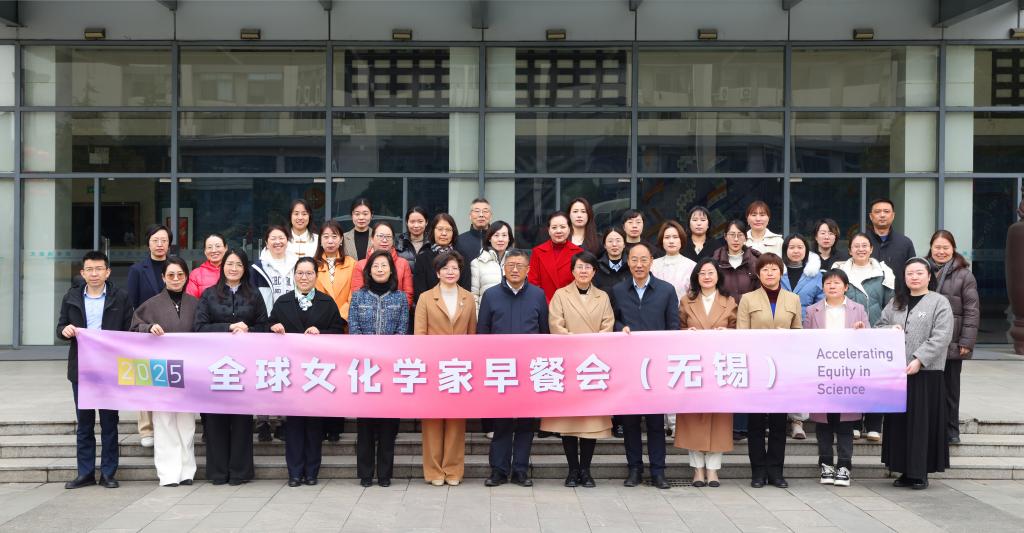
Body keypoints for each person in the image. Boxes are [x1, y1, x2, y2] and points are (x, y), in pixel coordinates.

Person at [57, 250, 133, 490]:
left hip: (110, 369)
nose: (94, 274)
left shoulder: (120, 297)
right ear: (82, 273)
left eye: (99, 269)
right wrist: (65, 331)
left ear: (107, 272)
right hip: (82, 369)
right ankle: (85, 473)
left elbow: (129, 331)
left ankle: (108, 473)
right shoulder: (71, 297)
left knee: (110, 423)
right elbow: (60, 327)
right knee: (84, 424)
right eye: (89, 269)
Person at [193, 249, 268, 486]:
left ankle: (240, 472)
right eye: (229, 264)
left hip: (244, 367)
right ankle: (217, 472)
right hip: (216, 366)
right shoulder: (209, 295)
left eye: (238, 264)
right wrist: (228, 327)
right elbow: (199, 327)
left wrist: (248, 330)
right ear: (222, 266)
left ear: (245, 269)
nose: (233, 268)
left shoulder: (254, 294)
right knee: (215, 420)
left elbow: (264, 327)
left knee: (242, 420)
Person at [269, 257, 346, 487]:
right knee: (293, 425)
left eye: (309, 273)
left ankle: (312, 472)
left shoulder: (327, 302)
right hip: (291, 373)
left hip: (317, 374)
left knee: (314, 425)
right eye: (300, 273)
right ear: (294, 276)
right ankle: (294, 473)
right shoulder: (282, 302)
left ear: (316, 276)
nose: (304, 278)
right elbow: (267, 328)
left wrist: (321, 333)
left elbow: (339, 332)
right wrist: (273, 327)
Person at [878, 258, 954, 490]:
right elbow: (879, 325)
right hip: (898, 373)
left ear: (929, 276)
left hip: (926, 373)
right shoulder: (896, 302)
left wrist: (919, 359)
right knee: (900, 424)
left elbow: (942, 336)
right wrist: (889, 329)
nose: (914, 277)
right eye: (910, 273)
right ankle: (903, 469)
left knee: (922, 424)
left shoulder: (939, 302)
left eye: (919, 273)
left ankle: (920, 472)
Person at [477, 249, 549, 488]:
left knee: (526, 423)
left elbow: (544, 332)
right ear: (503, 268)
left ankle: (520, 470)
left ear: (528, 270)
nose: (515, 269)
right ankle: (498, 470)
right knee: (502, 422)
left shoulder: (538, 295)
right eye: (511, 265)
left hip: (529, 369)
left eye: (520, 265)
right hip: (501, 370)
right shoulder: (491, 295)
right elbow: (482, 332)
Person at [543, 251, 614, 488]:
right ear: (572, 271)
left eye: (588, 267)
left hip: (592, 366)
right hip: (569, 363)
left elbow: (608, 325)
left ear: (594, 271)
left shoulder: (602, 297)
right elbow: (556, 325)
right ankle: (572, 470)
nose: (583, 271)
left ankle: (586, 470)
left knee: (590, 423)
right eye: (579, 267)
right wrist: (577, 342)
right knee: (568, 423)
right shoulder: (560, 295)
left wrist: (591, 345)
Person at [612, 243, 680, 490]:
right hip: (628, 366)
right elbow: (612, 320)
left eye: (643, 260)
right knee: (630, 422)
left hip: (656, 367)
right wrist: (620, 328)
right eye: (634, 260)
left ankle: (658, 471)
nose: (639, 265)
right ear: (628, 262)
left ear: (652, 261)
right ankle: (634, 469)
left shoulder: (666, 290)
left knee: (655, 423)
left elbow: (673, 327)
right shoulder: (618, 290)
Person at [130, 256, 199, 487]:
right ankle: (169, 473)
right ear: (163, 277)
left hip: (189, 369)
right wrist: (148, 328)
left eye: (180, 274)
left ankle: (187, 471)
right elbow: (134, 328)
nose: (176, 279)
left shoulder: (195, 304)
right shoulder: (150, 305)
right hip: (161, 369)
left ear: (186, 277)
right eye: (171, 275)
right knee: (164, 421)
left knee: (187, 422)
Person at [737, 252, 802, 489]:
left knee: (778, 423)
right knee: (755, 424)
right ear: (758, 273)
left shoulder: (793, 299)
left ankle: (776, 472)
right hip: (757, 368)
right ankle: (757, 472)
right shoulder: (747, 299)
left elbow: (798, 333)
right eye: (764, 269)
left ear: (781, 272)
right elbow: (741, 335)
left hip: (782, 369)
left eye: (774, 269)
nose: (769, 273)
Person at [414, 251, 476, 487]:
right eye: (446, 268)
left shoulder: (468, 298)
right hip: (433, 367)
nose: (451, 272)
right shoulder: (425, 298)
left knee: (456, 421)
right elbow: (419, 335)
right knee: (431, 421)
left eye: (455, 268)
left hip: (459, 368)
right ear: (437, 272)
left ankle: (453, 470)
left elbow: (472, 334)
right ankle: (433, 471)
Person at [803, 269, 870, 487]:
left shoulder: (858, 309)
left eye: (837, 283)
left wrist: (861, 331)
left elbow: (869, 341)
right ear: (823, 287)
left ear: (846, 287)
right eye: (828, 283)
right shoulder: (812, 310)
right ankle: (826, 465)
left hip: (847, 374)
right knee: (823, 424)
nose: (832, 286)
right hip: (822, 373)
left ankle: (844, 466)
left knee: (845, 423)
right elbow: (805, 341)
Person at [349, 250, 409, 487]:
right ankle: (365, 474)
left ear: (391, 270)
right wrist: (369, 353)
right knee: (365, 426)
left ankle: (385, 474)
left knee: (388, 426)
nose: (380, 269)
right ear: (369, 270)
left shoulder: (400, 298)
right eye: (376, 266)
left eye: (384, 265)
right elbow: (354, 329)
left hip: (391, 369)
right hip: (365, 369)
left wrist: (387, 355)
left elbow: (402, 331)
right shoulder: (358, 297)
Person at [676, 258, 737, 488]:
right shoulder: (687, 301)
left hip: (720, 367)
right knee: (693, 418)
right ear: (696, 277)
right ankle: (697, 469)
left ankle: (713, 470)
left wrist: (727, 334)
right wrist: (686, 333)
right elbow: (677, 328)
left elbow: (738, 330)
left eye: (711, 272)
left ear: (718, 276)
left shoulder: (729, 301)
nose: (707, 277)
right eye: (702, 273)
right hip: (694, 367)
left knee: (719, 419)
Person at [835, 233, 895, 442]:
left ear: (871, 249)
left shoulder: (884, 272)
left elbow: (890, 303)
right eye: (856, 246)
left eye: (864, 246)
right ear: (849, 250)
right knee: (851, 377)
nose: (860, 249)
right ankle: (853, 423)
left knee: (874, 379)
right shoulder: (840, 271)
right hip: (848, 334)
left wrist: (885, 328)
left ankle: (873, 425)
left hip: (875, 332)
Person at [927, 230, 979, 445]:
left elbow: (972, 310)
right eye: (937, 247)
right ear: (931, 248)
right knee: (928, 388)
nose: (941, 251)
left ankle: (951, 430)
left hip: (953, 339)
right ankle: (930, 428)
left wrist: (966, 341)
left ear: (953, 249)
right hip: (926, 340)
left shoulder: (964, 275)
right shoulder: (922, 269)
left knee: (950, 389)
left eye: (945, 248)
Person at [125, 223, 171, 449]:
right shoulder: (137, 270)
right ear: (148, 243)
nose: (160, 244)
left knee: (168, 378)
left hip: (171, 332)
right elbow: (131, 303)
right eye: (155, 240)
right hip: (145, 331)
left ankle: (166, 424)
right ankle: (146, 428)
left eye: (164, 240)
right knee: (145, 378)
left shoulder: (176, 266)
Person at [250, 225, 297, 442]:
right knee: (264, 375)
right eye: (273, 238)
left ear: (288, 240)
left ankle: (283, 421)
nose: (277, 242)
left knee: (286, 374)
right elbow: (253, 299)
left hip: (290, 327)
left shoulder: (297, 263)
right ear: (266, 242)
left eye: (281, 237)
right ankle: (263, 422)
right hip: (264, 327)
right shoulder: (257, 268)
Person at [650, 220, 696, 437]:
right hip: (655, 325)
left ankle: (676, 422)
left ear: (682, 240)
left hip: (680, 324)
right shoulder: (653, 264)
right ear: (661, 240)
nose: (671, 241)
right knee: (658, 373)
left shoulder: (691, 266)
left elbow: (693, 297)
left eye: (675, 237)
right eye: (667, 237)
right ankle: (661, 421)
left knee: (677, 373)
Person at [313, 220, 356, 443]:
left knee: (338, 378)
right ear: (320, 240)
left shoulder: (352, 263)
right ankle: (320, 424)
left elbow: (354, 294)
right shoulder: (312, 264)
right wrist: (326, 319)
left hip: (342, 327)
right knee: (320, 376)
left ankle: (335, 426)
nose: (330, 241)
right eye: (326, 237)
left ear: (341, 239)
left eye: (334, 236)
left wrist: (339, 317)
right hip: (319, 329)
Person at [779, 233, 824, 440]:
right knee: (779, 373)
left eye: (800, 247)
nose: (796, 251)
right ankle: (777, 417)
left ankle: (798, 421)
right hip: (779, 329)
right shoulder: (777, 271)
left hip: (805, 330)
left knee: (800, 376)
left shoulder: (815, 275)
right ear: (785, 250)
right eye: (791, 247)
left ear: (806, 250)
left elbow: (821, 302)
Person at [351, 221, 415, 306]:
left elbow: (408, 295)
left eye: (388, 237)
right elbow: (357, 295)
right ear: (372, 239)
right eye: (380, 236)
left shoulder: (403, 264)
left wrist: (396, 310)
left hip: (396, 312)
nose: (384, 240)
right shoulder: (360, 265)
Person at [414, 213, 471, 301]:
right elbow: (420, 292)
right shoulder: (422, 259)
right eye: (440, 229)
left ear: (453, 232)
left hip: (458, 306)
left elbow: (466, 288)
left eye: (448, 230)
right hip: (430, 307)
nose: (444, 233)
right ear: (433, 231)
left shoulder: (462, 257)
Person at [528, 211, 584, 303]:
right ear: (549, 230)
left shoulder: (578, 252)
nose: (558, 231)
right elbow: (533, 283)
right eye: (554, 227)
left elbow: (581, 282)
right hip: (544, 305)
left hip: (570, 305)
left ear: (569, 229)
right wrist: (547, 304)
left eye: (562, 227)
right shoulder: (537, 252)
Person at [867, 198, 917, 290]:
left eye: (886, 211)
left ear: (893, 215)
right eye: (877, 212)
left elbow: (913, 271)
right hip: (867, 296)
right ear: (871, 216)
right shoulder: (861, 243)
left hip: (899, 296)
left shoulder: (905, 243)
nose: (882, 215)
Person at [470, 220, 514, 312]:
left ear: (509, 238)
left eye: (504, 235)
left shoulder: (516, 262)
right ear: (489, 238)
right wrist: (478, 317)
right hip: (487, 315)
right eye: (496, 235)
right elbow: (474, 296)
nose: (500, 239)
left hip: (512, 314)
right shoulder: (477, 263)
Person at [186, 233, 226, 298]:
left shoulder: (233, 270)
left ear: (225, 248)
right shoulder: (196, 274)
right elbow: (191, 301)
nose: (214, 250)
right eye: (209, 247)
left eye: (218, 246)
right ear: (205, 251)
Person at [456, 197, 492, 262]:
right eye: (477, 211)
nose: (481, 215)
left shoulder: (498, 240)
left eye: (485, 211)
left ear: (491, 216)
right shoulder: (459, 241)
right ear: (470, 216)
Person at [396, 206, 429, 271]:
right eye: (412, 222)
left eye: (420, 221)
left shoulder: (432, 243)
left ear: (426, 222)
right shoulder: (398, 243)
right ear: (406, 222)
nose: (416, 226)